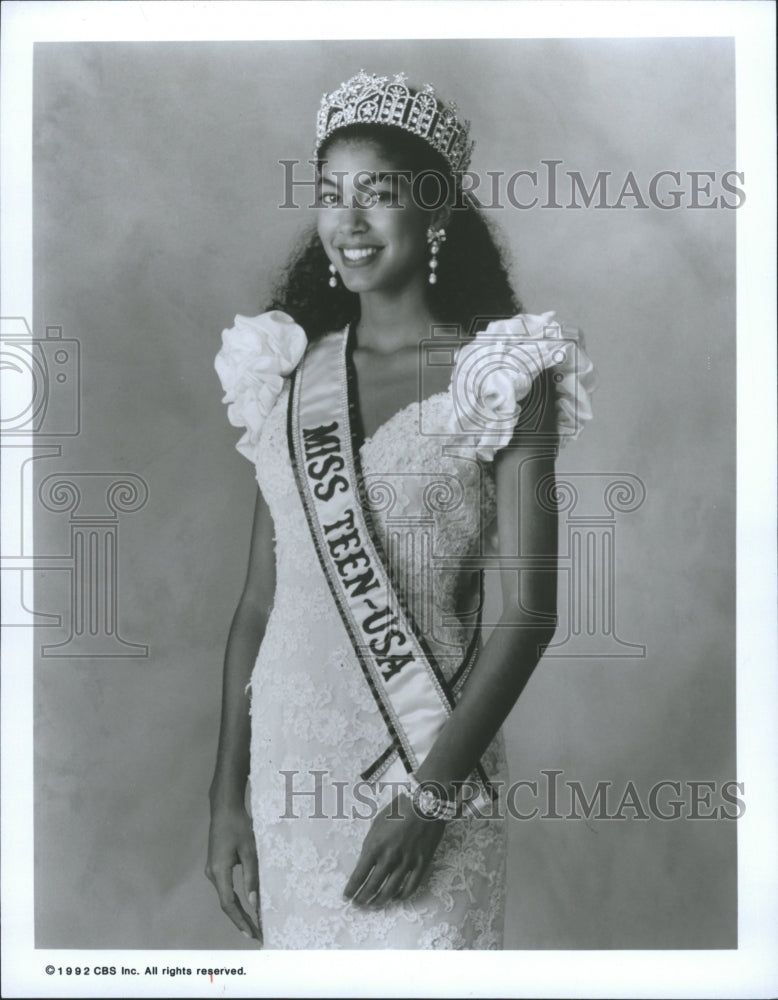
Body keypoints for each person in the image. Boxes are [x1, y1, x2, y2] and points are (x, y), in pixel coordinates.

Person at [206, 70, 596, 949]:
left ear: (436, 212)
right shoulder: (282, 375)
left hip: (431, 768)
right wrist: (226, 798)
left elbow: (529, 615)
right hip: (287, 779)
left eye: (377, 195)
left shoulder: (502, 374)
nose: (349, 221)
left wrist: (430, 793)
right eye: (330, 195)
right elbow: (259, 608)